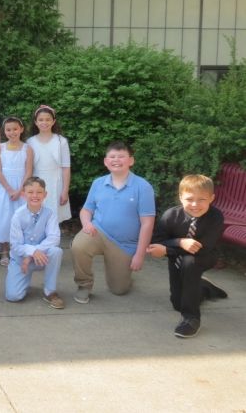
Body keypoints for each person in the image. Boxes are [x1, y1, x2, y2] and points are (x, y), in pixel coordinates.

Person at [71, 141, 155, 303]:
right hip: (98, 232)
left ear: (131, 160)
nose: (116, 160)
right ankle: (84, 285)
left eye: (121, 156)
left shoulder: (143, 187)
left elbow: (147, 223)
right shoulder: (98, 183)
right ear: (105, 161)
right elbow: (86, 210)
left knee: (119, 290)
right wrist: (86, 223)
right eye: (112, 156)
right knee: (78, 245)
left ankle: (120, 273)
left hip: (124, 244)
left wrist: (140, 254)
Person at [147, 175, 228, 338]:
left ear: (212, 198)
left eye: (202, 199)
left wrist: (168, 250)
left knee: (189, 263)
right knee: (178, 303)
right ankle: (204, 288)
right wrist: (179, 242)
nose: (195, 205)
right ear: (180, 197)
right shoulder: (171, 215)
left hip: (205, 256)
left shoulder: (216, 217)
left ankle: (191, 318)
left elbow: (203, 248)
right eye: (189, 199)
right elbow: (157, 241)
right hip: (177, 259)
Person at [4, 177, 64, 309]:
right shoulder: (17, 216)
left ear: (45, 194)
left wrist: (33, 253)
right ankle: (21, 281)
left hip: (42, 258)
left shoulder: (50, 214)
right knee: (13, 296)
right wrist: (31, 252)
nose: (35, 196)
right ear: (23, 195)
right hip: (21, 261)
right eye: (30, 192)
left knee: (56, 251)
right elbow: (15, 246)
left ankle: (50, 291)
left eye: (39, 192)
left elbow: (54, 238)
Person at [0, 117, 33, 265]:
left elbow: (28, 171)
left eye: (15, 129)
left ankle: (19, 250)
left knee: (21, 218)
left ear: (21, 129)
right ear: (4, 131)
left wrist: (19, 190)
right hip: (4, 187)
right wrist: (10, 189)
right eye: (8, 130)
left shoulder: (27, 148)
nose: (12, 132)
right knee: (4, 217)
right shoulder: (1, 147)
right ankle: (4, 251)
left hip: (22, 187)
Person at [27, 105, 71, 223]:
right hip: (37, 182)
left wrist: (65, 190)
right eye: (41, 120)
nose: (44, 122)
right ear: (36, 122)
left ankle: (53, 240)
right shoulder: (30, 142)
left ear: (53, 121)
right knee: (37, 215)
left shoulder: (61, 141)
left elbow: (66, 167)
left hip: (56, 183)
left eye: (48, 119)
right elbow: (29, 168)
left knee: (53, 217)